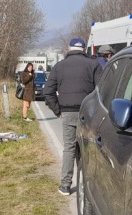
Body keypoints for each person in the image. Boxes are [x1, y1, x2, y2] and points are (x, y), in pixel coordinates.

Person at [43, 38, 102, 196]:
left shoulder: (59, 66)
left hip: (67, 112)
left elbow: (47, 91)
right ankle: (90, 185)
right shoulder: (93, 64)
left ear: (69, 49)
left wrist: (58, 110)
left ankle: (65, 185)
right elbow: (102, 91)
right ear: (84, 49)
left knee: (69, 148)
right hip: (88, 113)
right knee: (88, 149)